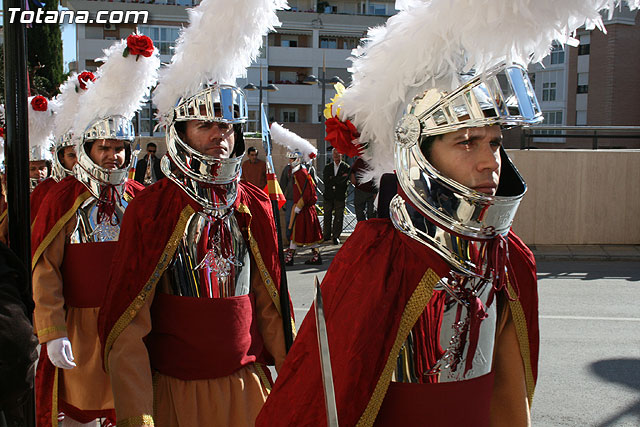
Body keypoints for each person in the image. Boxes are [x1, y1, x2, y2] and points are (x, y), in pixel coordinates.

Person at [253, 0, 592, 424]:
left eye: (495, 142)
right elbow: (323, 397)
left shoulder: (511, 258)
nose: (490, 161)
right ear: (421, 158)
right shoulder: (380, 258)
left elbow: (509, 396)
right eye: (467, 142)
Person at [98, 2, 291, 425]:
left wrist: (297, 378)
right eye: (205, 124)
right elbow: (129, 321)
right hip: (177, 391)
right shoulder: (153, 207)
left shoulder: (254, 203)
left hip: (247, 385)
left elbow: (270, 305)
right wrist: (137, 412)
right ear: (180, 132)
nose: (219, 135)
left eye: (227, 125)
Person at [31, 34, 158, 426]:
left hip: (132, 327)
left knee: (130, 408)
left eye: (119, 146)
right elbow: (45, 269)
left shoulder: (141, 196)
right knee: (82, 413)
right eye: (103, 147)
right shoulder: (62, 198)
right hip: (79, 329)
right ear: (87, 149)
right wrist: (52, 330)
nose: (112, 155)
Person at [270, 122, 323, 265]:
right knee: (300, 234)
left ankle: (291, 257)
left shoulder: (301, 173)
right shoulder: (296, 171)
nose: (290, 160)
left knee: (300, 234)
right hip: (300, 207)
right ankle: (310, 256)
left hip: (302, 208)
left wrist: (298, 207)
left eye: (292, 159)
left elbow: (307, 192)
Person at [322, 148, 350, 244]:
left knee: (339, 217)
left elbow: (344, 181)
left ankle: (336, 236)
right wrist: (337, 179)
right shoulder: (328, 167)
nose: (336, 156)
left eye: (338, 154)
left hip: (340, 196)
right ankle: (326, 235)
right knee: (327, 215)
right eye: (334, 154)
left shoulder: (346, 167)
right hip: (328, 195)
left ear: (342, 155)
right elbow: (326, 181)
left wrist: (333, 179)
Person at [350, 155, 377, 222]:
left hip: (372, 191)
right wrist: (353, 178)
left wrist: (376, 191)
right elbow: (352, 170)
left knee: (371, 213)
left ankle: (370, 229)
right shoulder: (360, 160)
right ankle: (362, 228)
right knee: (359, 213)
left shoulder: (376, 161)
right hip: (360, 189)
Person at [278, 156, 295, 241]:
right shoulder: (287, 169)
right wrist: (282, 200)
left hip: (302, 200)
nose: (292, 160)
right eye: (291, 158)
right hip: (290, 199)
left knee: (301, 222)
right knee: (289, 221)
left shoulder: (306, 168)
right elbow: (282, 185)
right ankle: (290, 241)